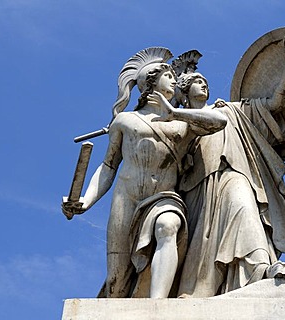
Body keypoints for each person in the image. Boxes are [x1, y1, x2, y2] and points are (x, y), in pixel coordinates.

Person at [62, 47, 227, 298]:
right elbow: (108, 166)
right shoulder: (124, 121)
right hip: (125, 199)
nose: (174, 80)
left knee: (168, 227)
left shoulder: (181, 122)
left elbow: (219, 123)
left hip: (164, 196)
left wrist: (175, 112)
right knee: (118, 280)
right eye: (168, 75)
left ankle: (157, 306)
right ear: (151, 82)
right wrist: (85, 201)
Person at [175, 38, 285, 297]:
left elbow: (276, 103)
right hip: (197, 190)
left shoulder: (232, 111)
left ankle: (259, 269)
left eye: (206, 82)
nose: (204, 84)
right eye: (198, 81)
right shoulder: (179, 124)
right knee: (201, 247)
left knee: (244, 207)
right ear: (185, 92)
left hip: (233, 175)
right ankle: (207, 290)